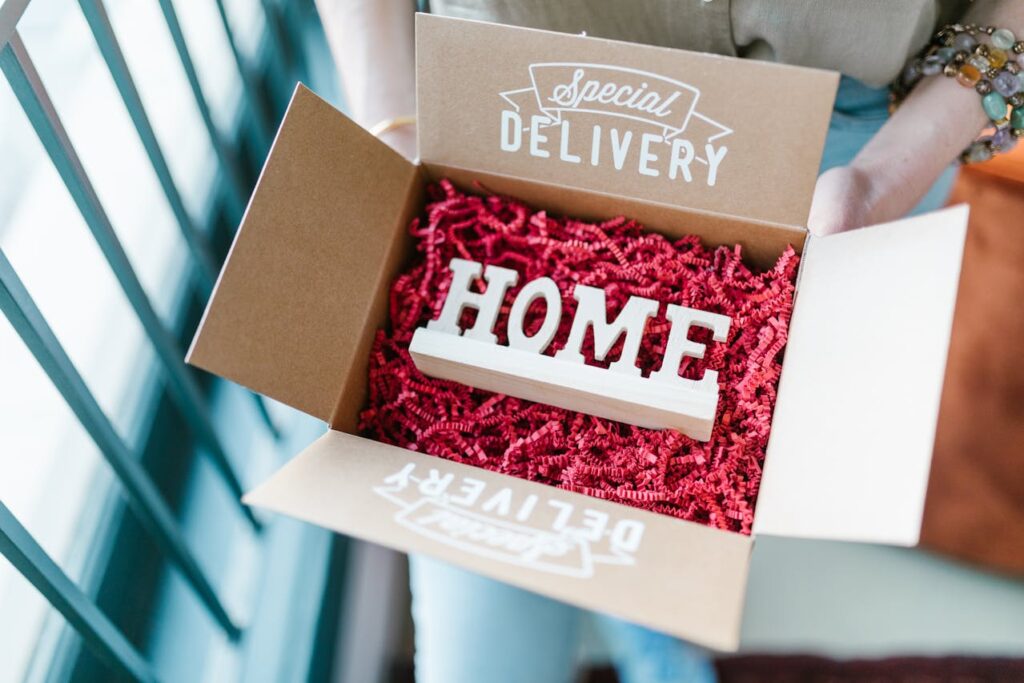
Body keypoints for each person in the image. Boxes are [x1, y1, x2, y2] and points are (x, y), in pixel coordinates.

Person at [316, 2, 1024, 681]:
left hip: (858, 134)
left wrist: (880, 177)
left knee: (691, 489)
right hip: (516, 114)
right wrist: (394, 132)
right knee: (484, 634)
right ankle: (646, 616)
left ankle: (648, 619)